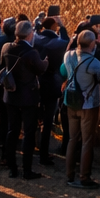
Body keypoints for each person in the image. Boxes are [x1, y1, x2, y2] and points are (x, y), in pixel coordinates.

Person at [0, 19, 48, 179]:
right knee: (28, 132)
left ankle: (12, 166)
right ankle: (27, 169)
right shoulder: (31, 53)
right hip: (28, 96)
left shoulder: (6, 47)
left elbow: (2, 66)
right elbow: (40, 69)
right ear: (29, 34)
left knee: (12, 130)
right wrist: (46, 61)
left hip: (11, 94)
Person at [62, 29, 100, 187]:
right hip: (88, 104)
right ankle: (84, 177)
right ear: (93, 43)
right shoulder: (94, 63)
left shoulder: (68, 55)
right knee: (87, 141)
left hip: (71, 101)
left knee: (73, 139)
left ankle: (69, 174)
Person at [34, 17, 67, 167]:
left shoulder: (36, 38)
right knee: (48, 121)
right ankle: (44, 153)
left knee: (33, 118)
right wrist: (63, 27)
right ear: (55, 26)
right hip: (52, 84)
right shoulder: (58, 43)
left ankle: (33, 146)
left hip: (35, 83)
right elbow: (67, 43)